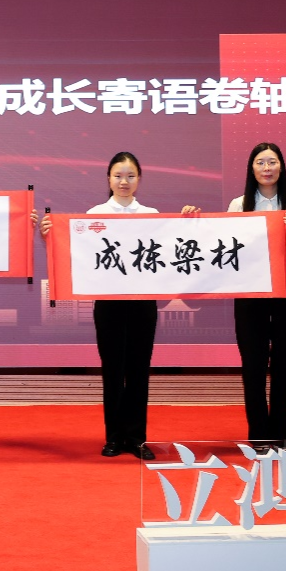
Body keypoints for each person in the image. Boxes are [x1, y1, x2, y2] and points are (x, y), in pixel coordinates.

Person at [38, 152, 198, 460]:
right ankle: (113, 437)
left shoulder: (152, 215)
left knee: (139, 370)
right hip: (108, 303)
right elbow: (77, 254)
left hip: (143, 302)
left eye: (130, 176)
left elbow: (173, 250)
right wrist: (51, 236)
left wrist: (188, 222)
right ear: (109, 179)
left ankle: (136, 438)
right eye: (118, 176)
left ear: (139, 179)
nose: (124, 182)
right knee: (112, 370)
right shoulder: (94, 214)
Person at [228, 142, 286, 451]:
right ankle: (259, 436)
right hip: (250, 289)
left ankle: (280, 436)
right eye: (260, 162)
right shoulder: (239, 205)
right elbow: (227, 251)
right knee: (252, 363)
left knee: (284, 363)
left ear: (281, 166)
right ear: (251, 168)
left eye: (272, 162)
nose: (267, 168)